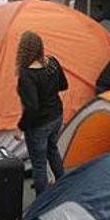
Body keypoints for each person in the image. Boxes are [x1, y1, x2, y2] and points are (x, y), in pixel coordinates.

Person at [15, 31, 68, 195]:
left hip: (39, 125)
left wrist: (21, 127)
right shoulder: (52, 63)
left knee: (39, 164)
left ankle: (41, 201)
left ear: (22, 51)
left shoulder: (27, 75)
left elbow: (32, 108)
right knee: (52, 149)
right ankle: (63, 187)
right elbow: (64, 85)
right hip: (57, 116)